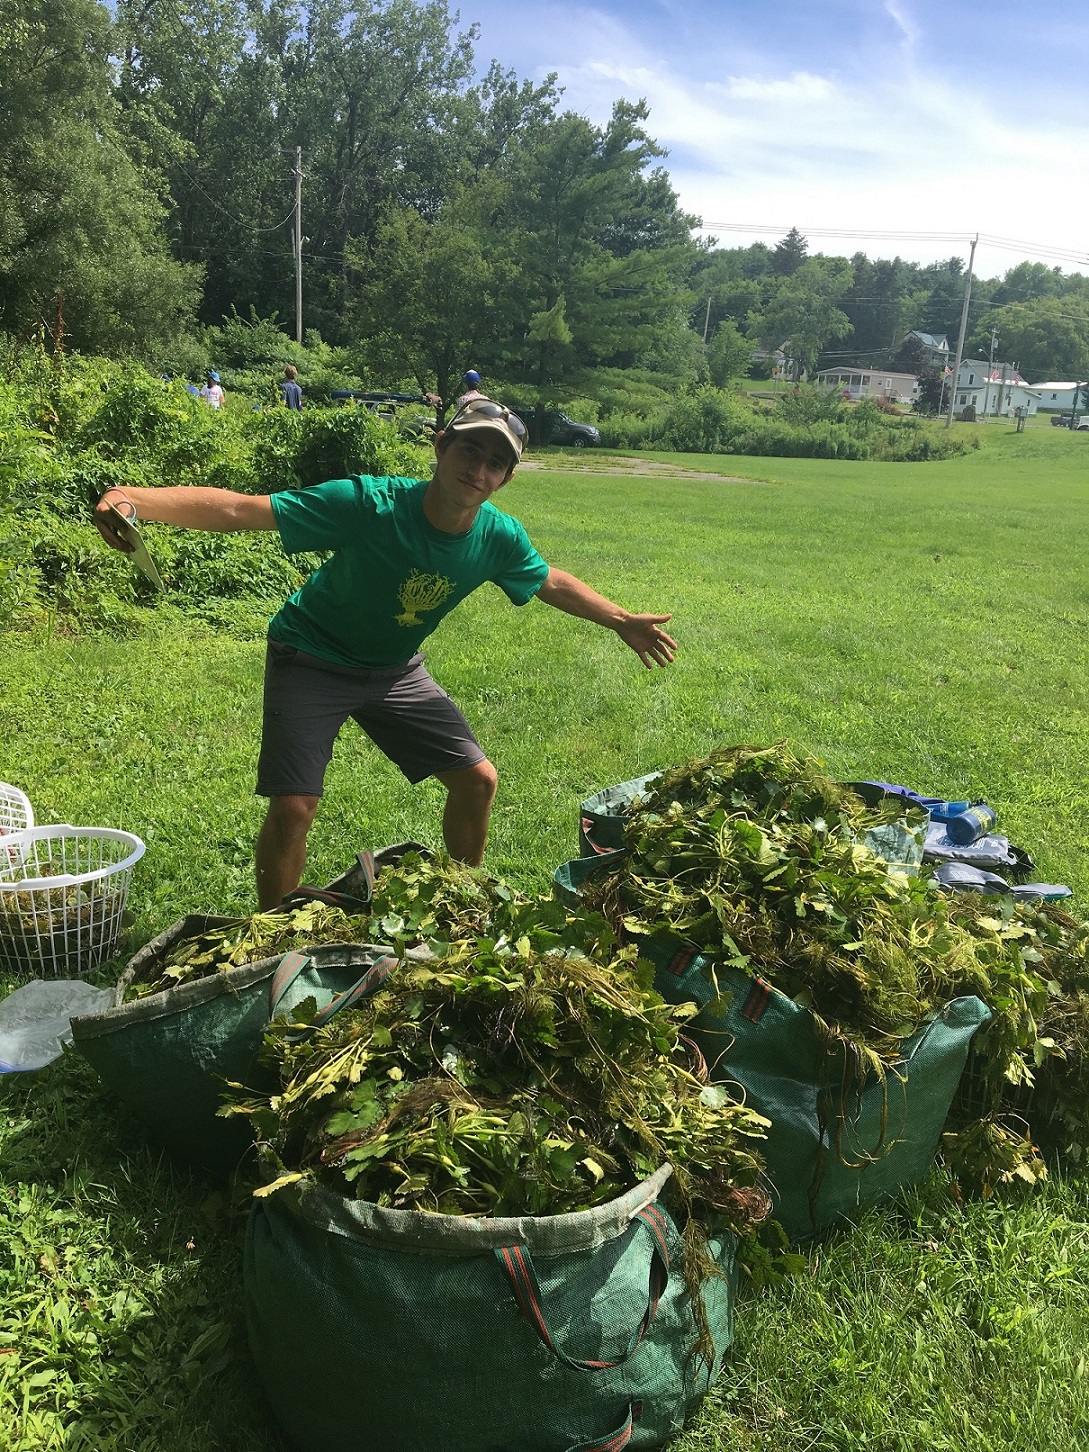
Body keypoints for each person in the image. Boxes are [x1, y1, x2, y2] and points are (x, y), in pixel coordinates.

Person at [93, 396, 677, 910]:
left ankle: (461, 904)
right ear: (441, 445)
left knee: (478, 781)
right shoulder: (367, 504)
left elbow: (547, 579)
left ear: (506, 478)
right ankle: (270, 938)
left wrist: (621, 619)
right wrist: (132, 499)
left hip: (395, 672)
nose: (478, 470)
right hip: (311, 657)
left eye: (495, 462)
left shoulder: (497, 536)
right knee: (295, 807)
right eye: (469, 451)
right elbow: (244, 510)